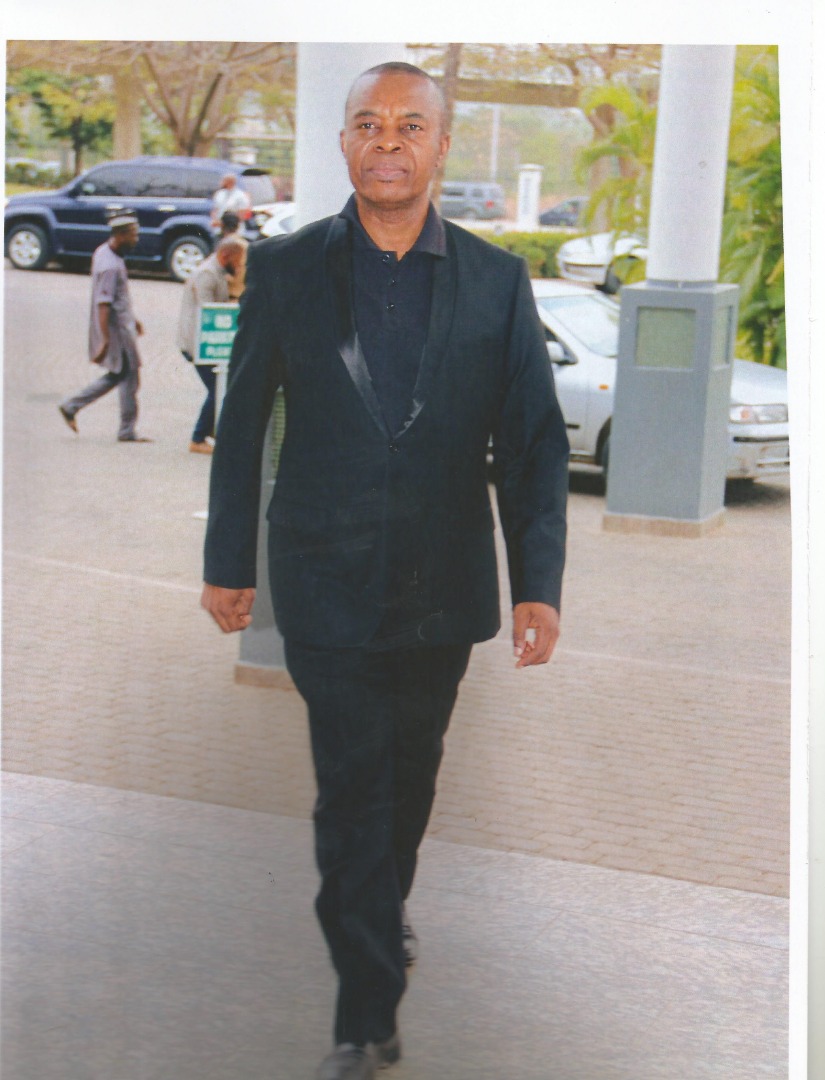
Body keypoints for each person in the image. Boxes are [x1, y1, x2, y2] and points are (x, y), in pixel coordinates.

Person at [201, 62, 569, 1080]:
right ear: (344, 144)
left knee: (408, 782)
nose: (388, 142)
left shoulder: (496, 280)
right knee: (352, 795)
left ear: (441, 145)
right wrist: (227, 562)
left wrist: (538, 584)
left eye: (411, 125)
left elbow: (532, 444)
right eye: (368, 124)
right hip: (322, 581)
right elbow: (242, 426)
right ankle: (366, 1017)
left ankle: (380, 904)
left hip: (441, 590)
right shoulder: (286, 269)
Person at [58, 210, 151, 443]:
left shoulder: (104, 252)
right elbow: (104, 304)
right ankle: (125, 430)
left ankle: (72, 406)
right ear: (120, 235)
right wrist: (105, 339)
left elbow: (118, 299)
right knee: (128, 377)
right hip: (119, 332)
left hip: (123, 325)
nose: (136, 239)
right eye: (133, 235)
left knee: (119, 375)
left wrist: (133, 319)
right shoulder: (110, 266)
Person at [176, 236, 247, 454]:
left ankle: (213, 430)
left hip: (204, 341)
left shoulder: (217, 271)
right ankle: (198, 438)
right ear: (225, 256)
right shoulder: (207, 274)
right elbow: (209, 310)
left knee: (221, 386)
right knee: (219, 388)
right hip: (197, 343)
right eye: (237, 261)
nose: (239, 267)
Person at [217, 210, 249, 301]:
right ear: (238, 226)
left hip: (230, 297)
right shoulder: (246, 244)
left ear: (222, 225)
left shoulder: (225, 246)